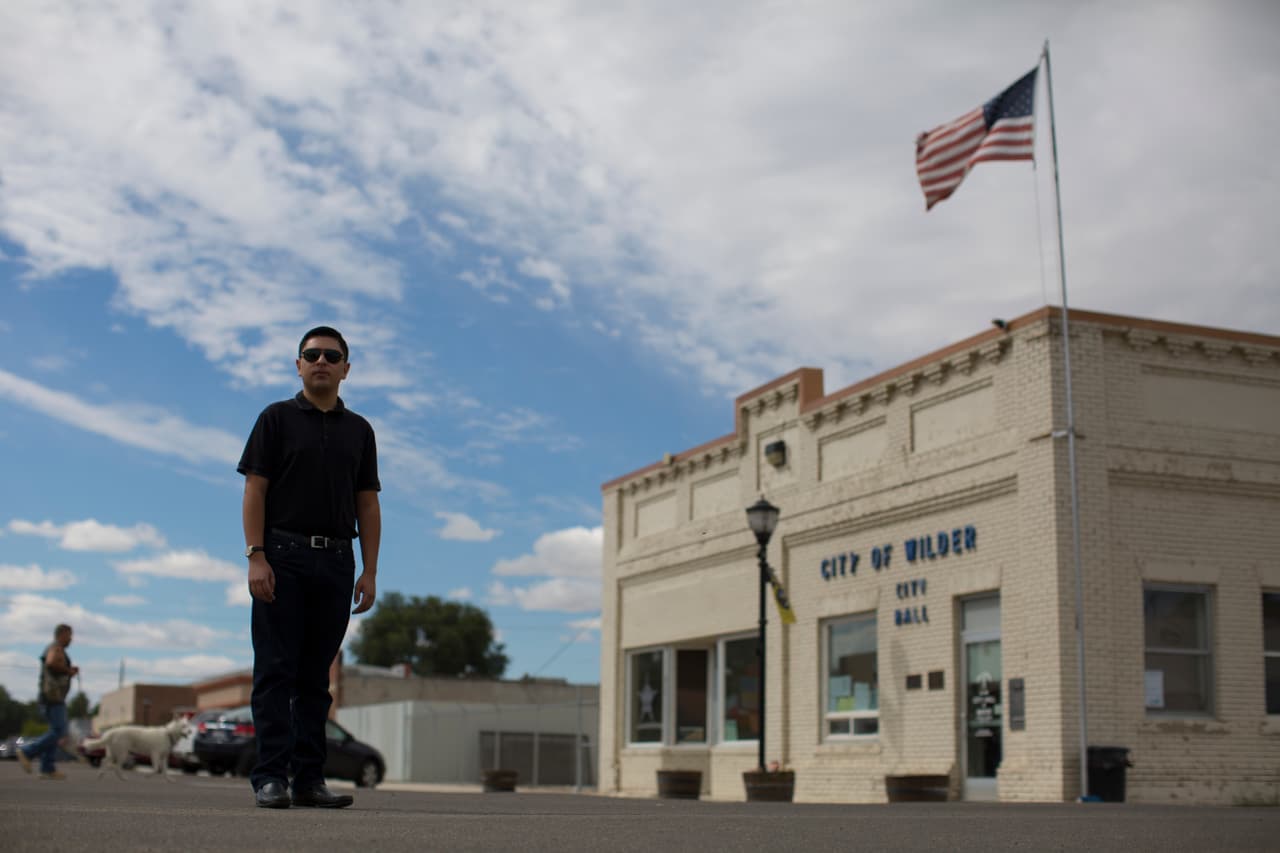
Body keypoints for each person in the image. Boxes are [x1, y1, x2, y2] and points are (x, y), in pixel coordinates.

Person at [238, 326, 381, 809]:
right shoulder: (276, 419)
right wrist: (256, 555)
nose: (321, 361)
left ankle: (309, 780)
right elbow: (254, 489)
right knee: (276, 671)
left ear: (346, 368)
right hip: (282, 556)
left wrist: (370, 570)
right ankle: (270, 777)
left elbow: (368, 503)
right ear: (298, 365)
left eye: (331, 355)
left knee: (315, 679)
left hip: (338, 560)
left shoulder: (360, 431)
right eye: (311, 354)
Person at [18, 624, 79, 780]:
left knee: (55, 730)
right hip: (52, 697)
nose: (71, 639)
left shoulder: (57, 649)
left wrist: (69, 671)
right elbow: (51, 663)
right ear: (61, 634)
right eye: (69, 635)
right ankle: (27, 751)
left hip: (53, 697)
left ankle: (47, 768)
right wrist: (68, 670)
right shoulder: (56, 648)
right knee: (59, 730)